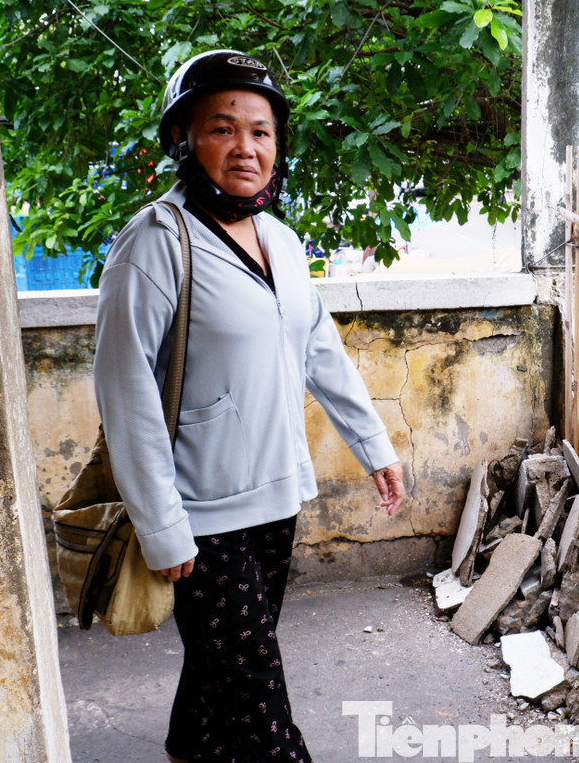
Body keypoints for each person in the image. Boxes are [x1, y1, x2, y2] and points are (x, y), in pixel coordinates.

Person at [93, 50, 405, 763]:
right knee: (261, 702)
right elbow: (126, 394)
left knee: (226, 663)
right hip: (201, 515)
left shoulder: (282, 241)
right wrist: (163, 529)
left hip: (276, 498)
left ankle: (189, 745)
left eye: (261, 132)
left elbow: (318, 347)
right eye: (223, 128)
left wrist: (374, 446)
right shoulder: (154, 244)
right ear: (183, 139)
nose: (246, 148)